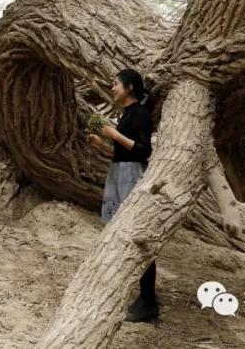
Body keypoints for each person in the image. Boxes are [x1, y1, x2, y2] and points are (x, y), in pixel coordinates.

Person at [88, 67, 158, 323]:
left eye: (116, 84)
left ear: (130, 87)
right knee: (121, 230)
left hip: (131, 175)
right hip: (119, 172)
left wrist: (115, 135)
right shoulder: (128, 113)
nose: (112, 88)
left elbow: (143, 150)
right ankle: (143, 297)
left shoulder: (139, 113)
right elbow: (123, 151)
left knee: (135, 232)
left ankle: (149, 301)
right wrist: (102, 145)